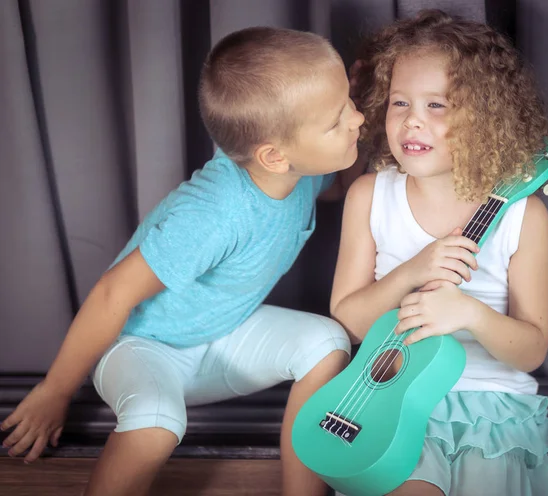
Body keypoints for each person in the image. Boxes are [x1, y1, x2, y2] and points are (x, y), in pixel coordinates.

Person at [1, 26, 365, 496]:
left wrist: (363, 110)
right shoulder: (212, 212)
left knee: (328, 341)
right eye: (338, 120)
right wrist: (55, 392)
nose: (356, 120)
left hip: (221, 333)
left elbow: (334, 187)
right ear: (275, 156)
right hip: (143, 346)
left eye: (349, 104)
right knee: (159, 421)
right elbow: (114, 292)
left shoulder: (294, 169)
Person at [331, 10, 548, 496]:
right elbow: (349, 318)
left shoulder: (524, 217)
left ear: (488, 115)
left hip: (489, 408)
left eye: (437, 104)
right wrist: (412, 271)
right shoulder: (369, 196)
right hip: (390, 398)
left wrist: (468, 314)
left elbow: (532, 350)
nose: (412, 119)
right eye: (400, 103)